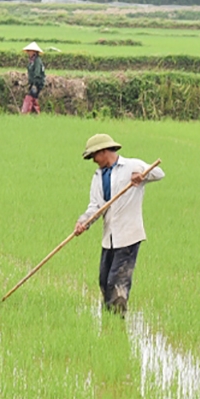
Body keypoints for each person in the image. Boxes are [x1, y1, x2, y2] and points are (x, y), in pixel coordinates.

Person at [74, 134, 164, 316]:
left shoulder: (131, 166)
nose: (93, 161)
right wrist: (83, 222)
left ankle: (116, 322)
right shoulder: (98, 176)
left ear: (104, 151)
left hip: (128, 236)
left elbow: (159, 173)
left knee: (117, 282)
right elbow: (95, 207)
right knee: (103, 280)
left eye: (94, 156)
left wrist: (141, 176)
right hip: (109, 238)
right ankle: (108, 320)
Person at [21, 42, 45, 114]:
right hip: (33, 83)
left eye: (30, 51)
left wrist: (34, 85)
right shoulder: (32, 61)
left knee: (30, 97)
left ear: (34, 52)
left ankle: (26, 113)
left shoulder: (37, 61)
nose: (28, 53)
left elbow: (37, 73)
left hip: (37, 83)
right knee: (34, 99)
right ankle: (36, 114)